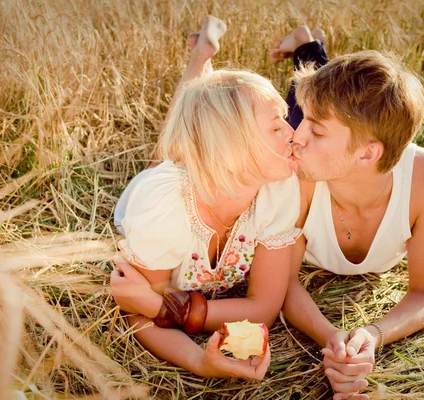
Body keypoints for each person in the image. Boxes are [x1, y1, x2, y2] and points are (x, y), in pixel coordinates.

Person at [109, 16, 301, 380]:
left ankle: (201, 58)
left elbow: (264, 306)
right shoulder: (163, 207)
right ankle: (199, 60)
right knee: (168, 155)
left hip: (213, 171)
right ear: (232, 146)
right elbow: (136, 311)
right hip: (173, 186)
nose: (293, 133)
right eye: (277, 126)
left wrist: (174, 309)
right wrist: (200, 361)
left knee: (184, 141)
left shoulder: (278, 190)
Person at [272, 27, 424, 399]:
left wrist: (371, 336)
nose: (298, 137)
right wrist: (333, 340)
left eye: (317, 132)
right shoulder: (299, 169)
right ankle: (308, 47)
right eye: (306, 125)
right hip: (331, 150)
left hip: (351, 148)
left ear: (368, 154)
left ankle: (309, 45)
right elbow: (283, 283)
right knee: (296, 104)